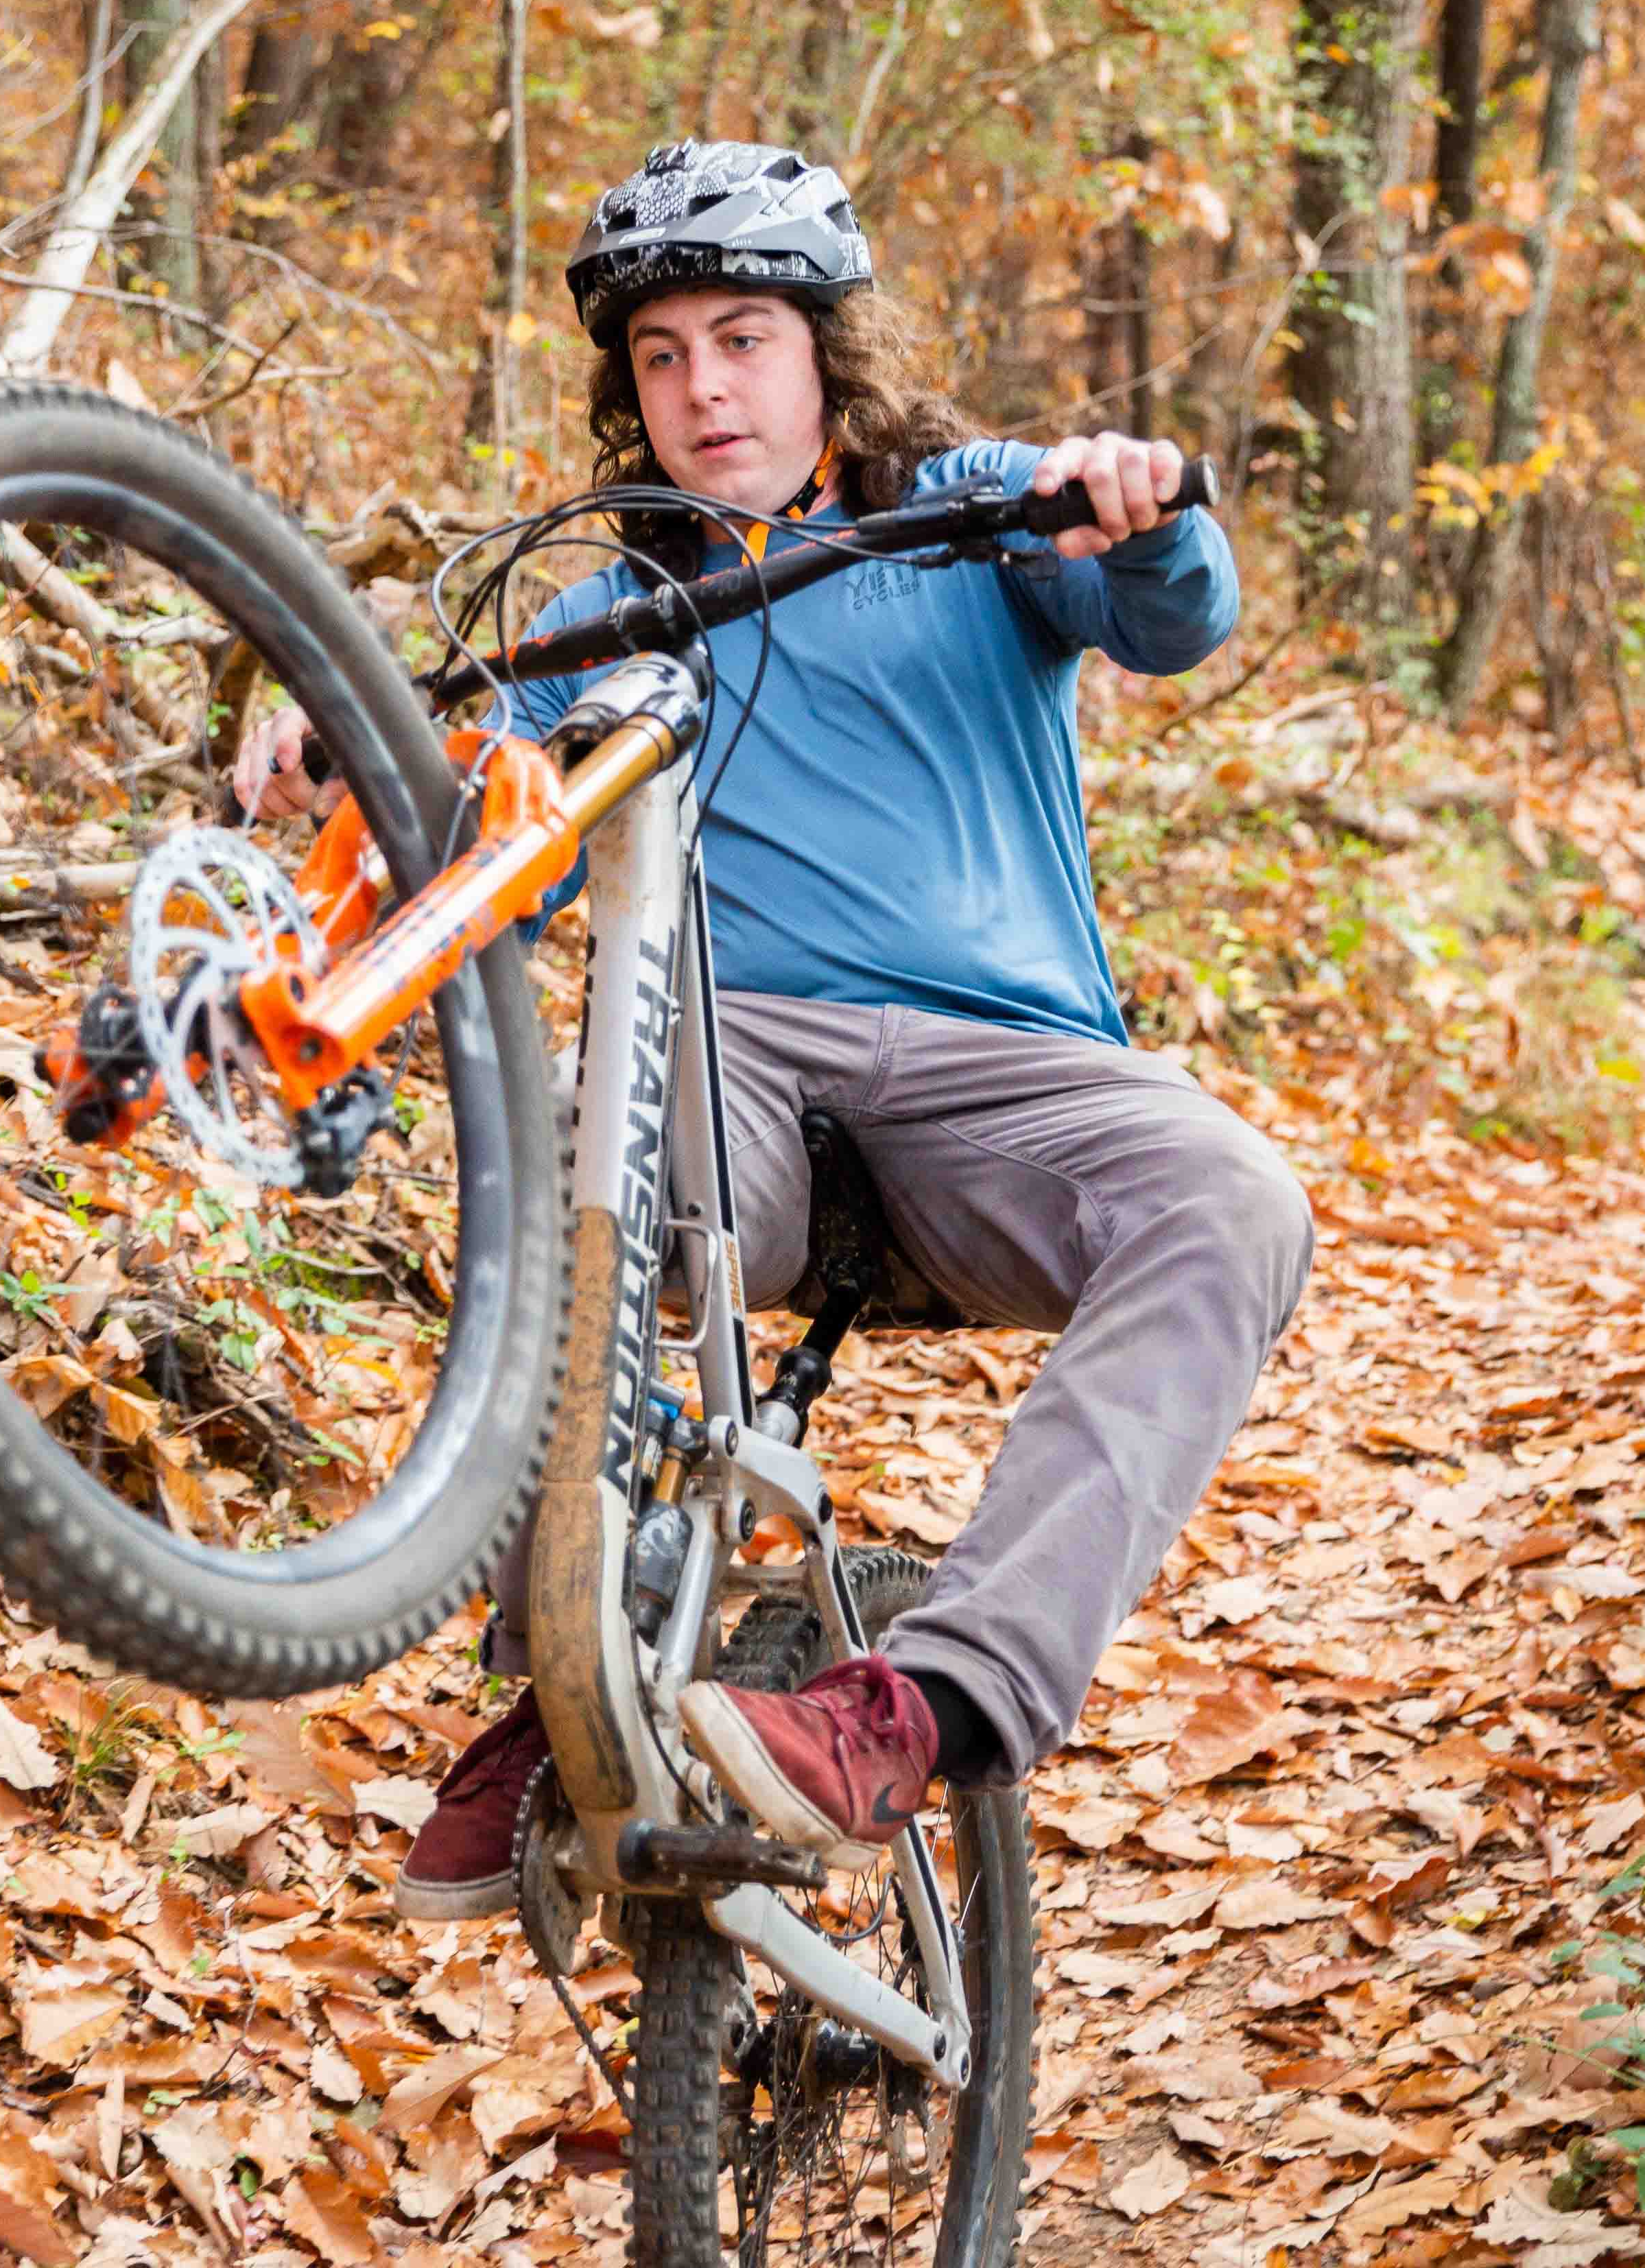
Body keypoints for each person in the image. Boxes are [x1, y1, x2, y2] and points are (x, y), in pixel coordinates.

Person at [239, 141, 1314, 1908]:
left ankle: (924, 1705)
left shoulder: (961, 510)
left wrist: (1146, 502)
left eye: (742, 336)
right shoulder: (605, 617)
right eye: (661, 355)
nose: (704, 385)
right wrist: (340, 733)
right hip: (739, 1070)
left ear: (826, 347)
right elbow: (459, 802)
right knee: (575, 1136)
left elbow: (1168, 615)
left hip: (1008, 1083)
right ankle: (569, 1683)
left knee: (1240, 1203)